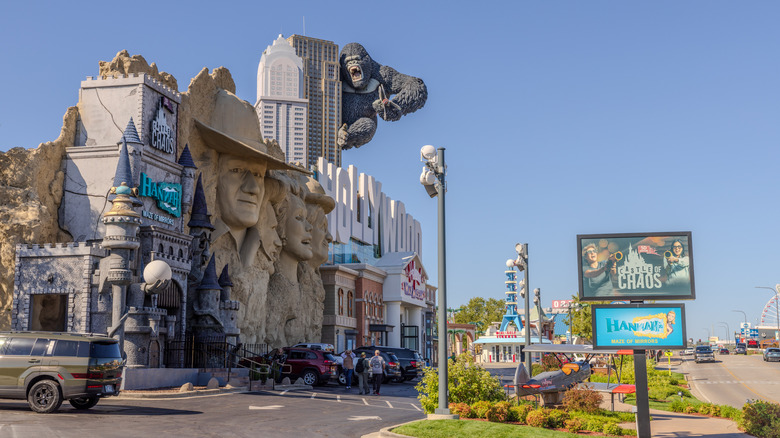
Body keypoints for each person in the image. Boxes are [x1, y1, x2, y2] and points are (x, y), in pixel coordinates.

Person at [194, 89, 304, 267]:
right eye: (237, 170)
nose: (252, 188)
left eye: (258, 175)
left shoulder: (261, 245)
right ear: (213, 176)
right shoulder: (198, 244)